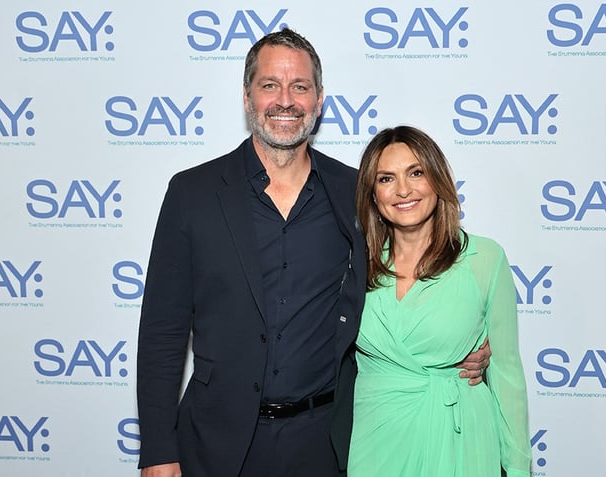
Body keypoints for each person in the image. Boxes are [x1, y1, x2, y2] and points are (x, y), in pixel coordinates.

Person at [136, 29, 490, 477]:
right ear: (247, 97)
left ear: (319, 100)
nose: (286, 100)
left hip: (324, 444)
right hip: (215, 443)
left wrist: (470, 336)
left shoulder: (355, 192)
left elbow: (414, 265)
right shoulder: (193, 193)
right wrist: (157, 451)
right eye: (270, 85)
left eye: (299, 87)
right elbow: (161, 335)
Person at [348, 126, 531, 476]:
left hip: (459, 435)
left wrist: (519, 468)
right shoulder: (355, 264)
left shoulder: (484, 259)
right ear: (373, 195)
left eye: (416, 173)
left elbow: (507, 374)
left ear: (438, 179)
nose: (403, 190)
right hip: (377, 440)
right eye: (386, 179)